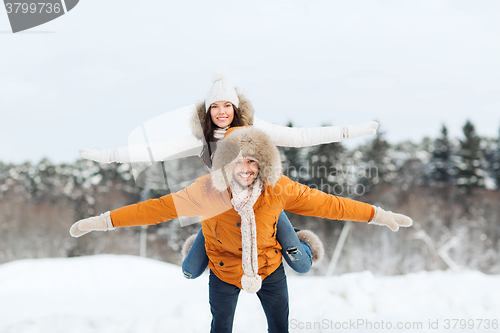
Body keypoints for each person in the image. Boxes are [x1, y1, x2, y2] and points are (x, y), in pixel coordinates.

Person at [70, 126, 412, 333]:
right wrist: (103, 221)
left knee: (279, 325)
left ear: (263, 163)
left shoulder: (279, 188)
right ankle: (200, 242)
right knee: (219, 325)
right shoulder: (205, 192)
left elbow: (330, 204)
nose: (245, 168)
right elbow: (155, 210)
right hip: (223, 268)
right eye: (238, 160)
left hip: (268, 266)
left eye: (252, 160)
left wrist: (378, 215)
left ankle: (297, 244)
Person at [78, 70, 379, 278]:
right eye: (215, 107)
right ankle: (214, 241)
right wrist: (108, 155)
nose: (221, 111)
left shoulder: (255, 128)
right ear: (207, 111)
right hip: (219, 208)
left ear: (236, 107)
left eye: (227, 105)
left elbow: (301, 136)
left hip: (262, 205)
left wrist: (352, 131)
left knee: (301, 265)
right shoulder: (201, 140)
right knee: (190, 270)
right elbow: (154, 150)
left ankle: (290, 236)